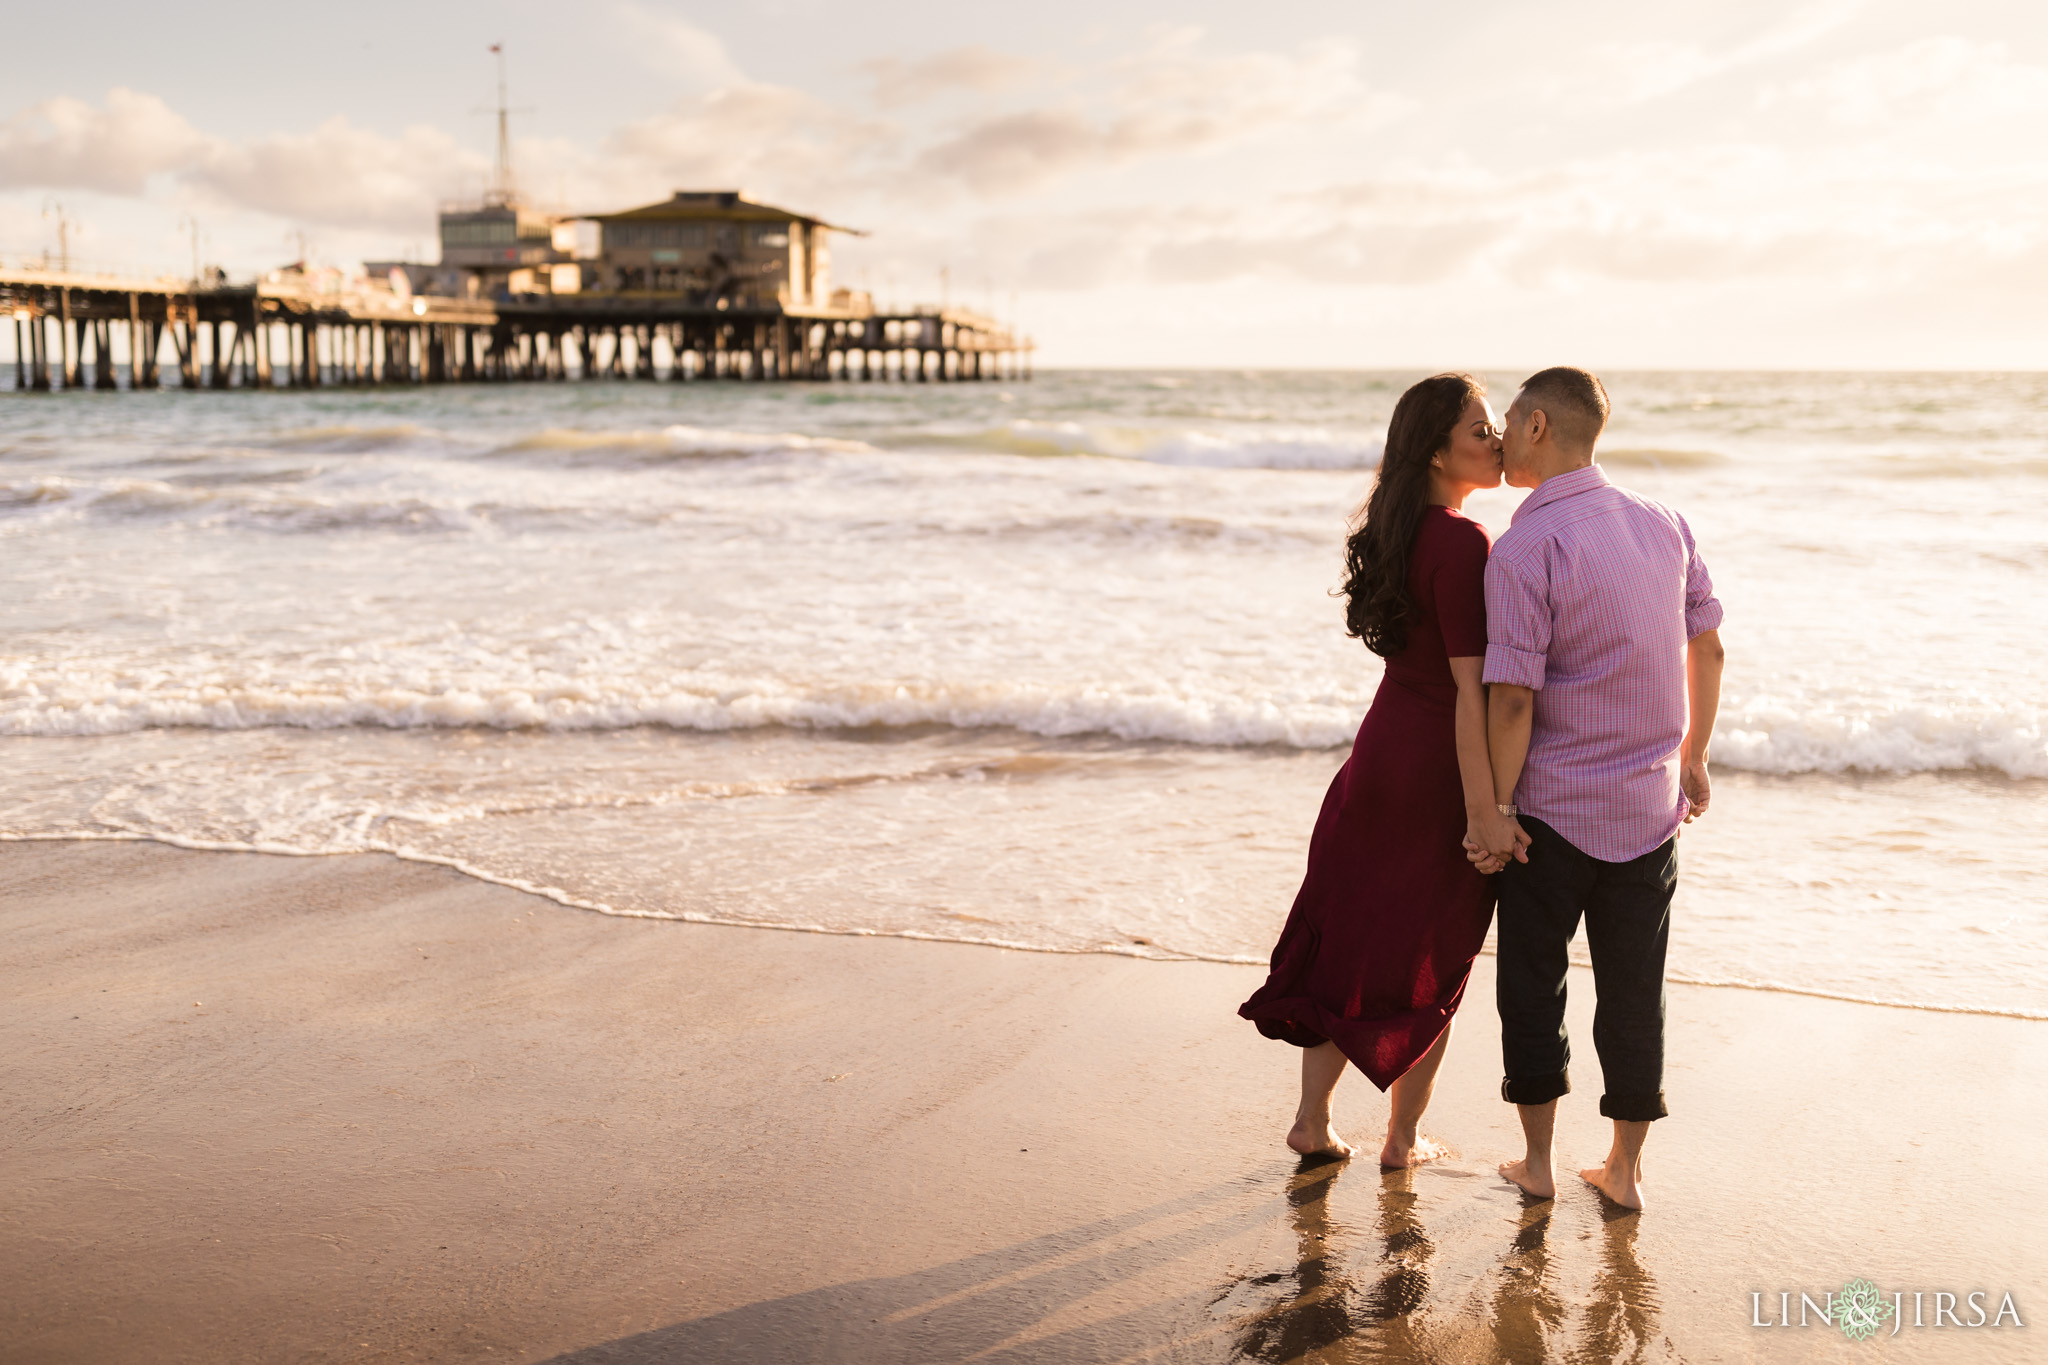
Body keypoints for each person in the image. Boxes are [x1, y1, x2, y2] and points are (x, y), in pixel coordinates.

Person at [1466, 366, 1726, 1212]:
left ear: (1539, 425)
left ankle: (1537, 1163)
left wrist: (1499, 810)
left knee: (1533, 984)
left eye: (1508, 419)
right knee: (1633, 992)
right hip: (1650, 812)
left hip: (1551, 813)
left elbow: (1512, 695)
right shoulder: (1666, 523)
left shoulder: (1524, 546)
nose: (1500, 435)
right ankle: (1624, 1170)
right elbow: (1710, 648)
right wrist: (1695, 754)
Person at [1239, 373, 1506, 1168]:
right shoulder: (1463, 541)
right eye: (1480, 431)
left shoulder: (1397, 532)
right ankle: (1402, 1138)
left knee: (1348, 945)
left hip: (1376, 758)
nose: (1495, 441)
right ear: (1435, 451)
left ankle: (1311, 1122)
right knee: (1437, 957)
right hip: (1435, 770)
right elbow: (1471, 691)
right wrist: (1485, 804)